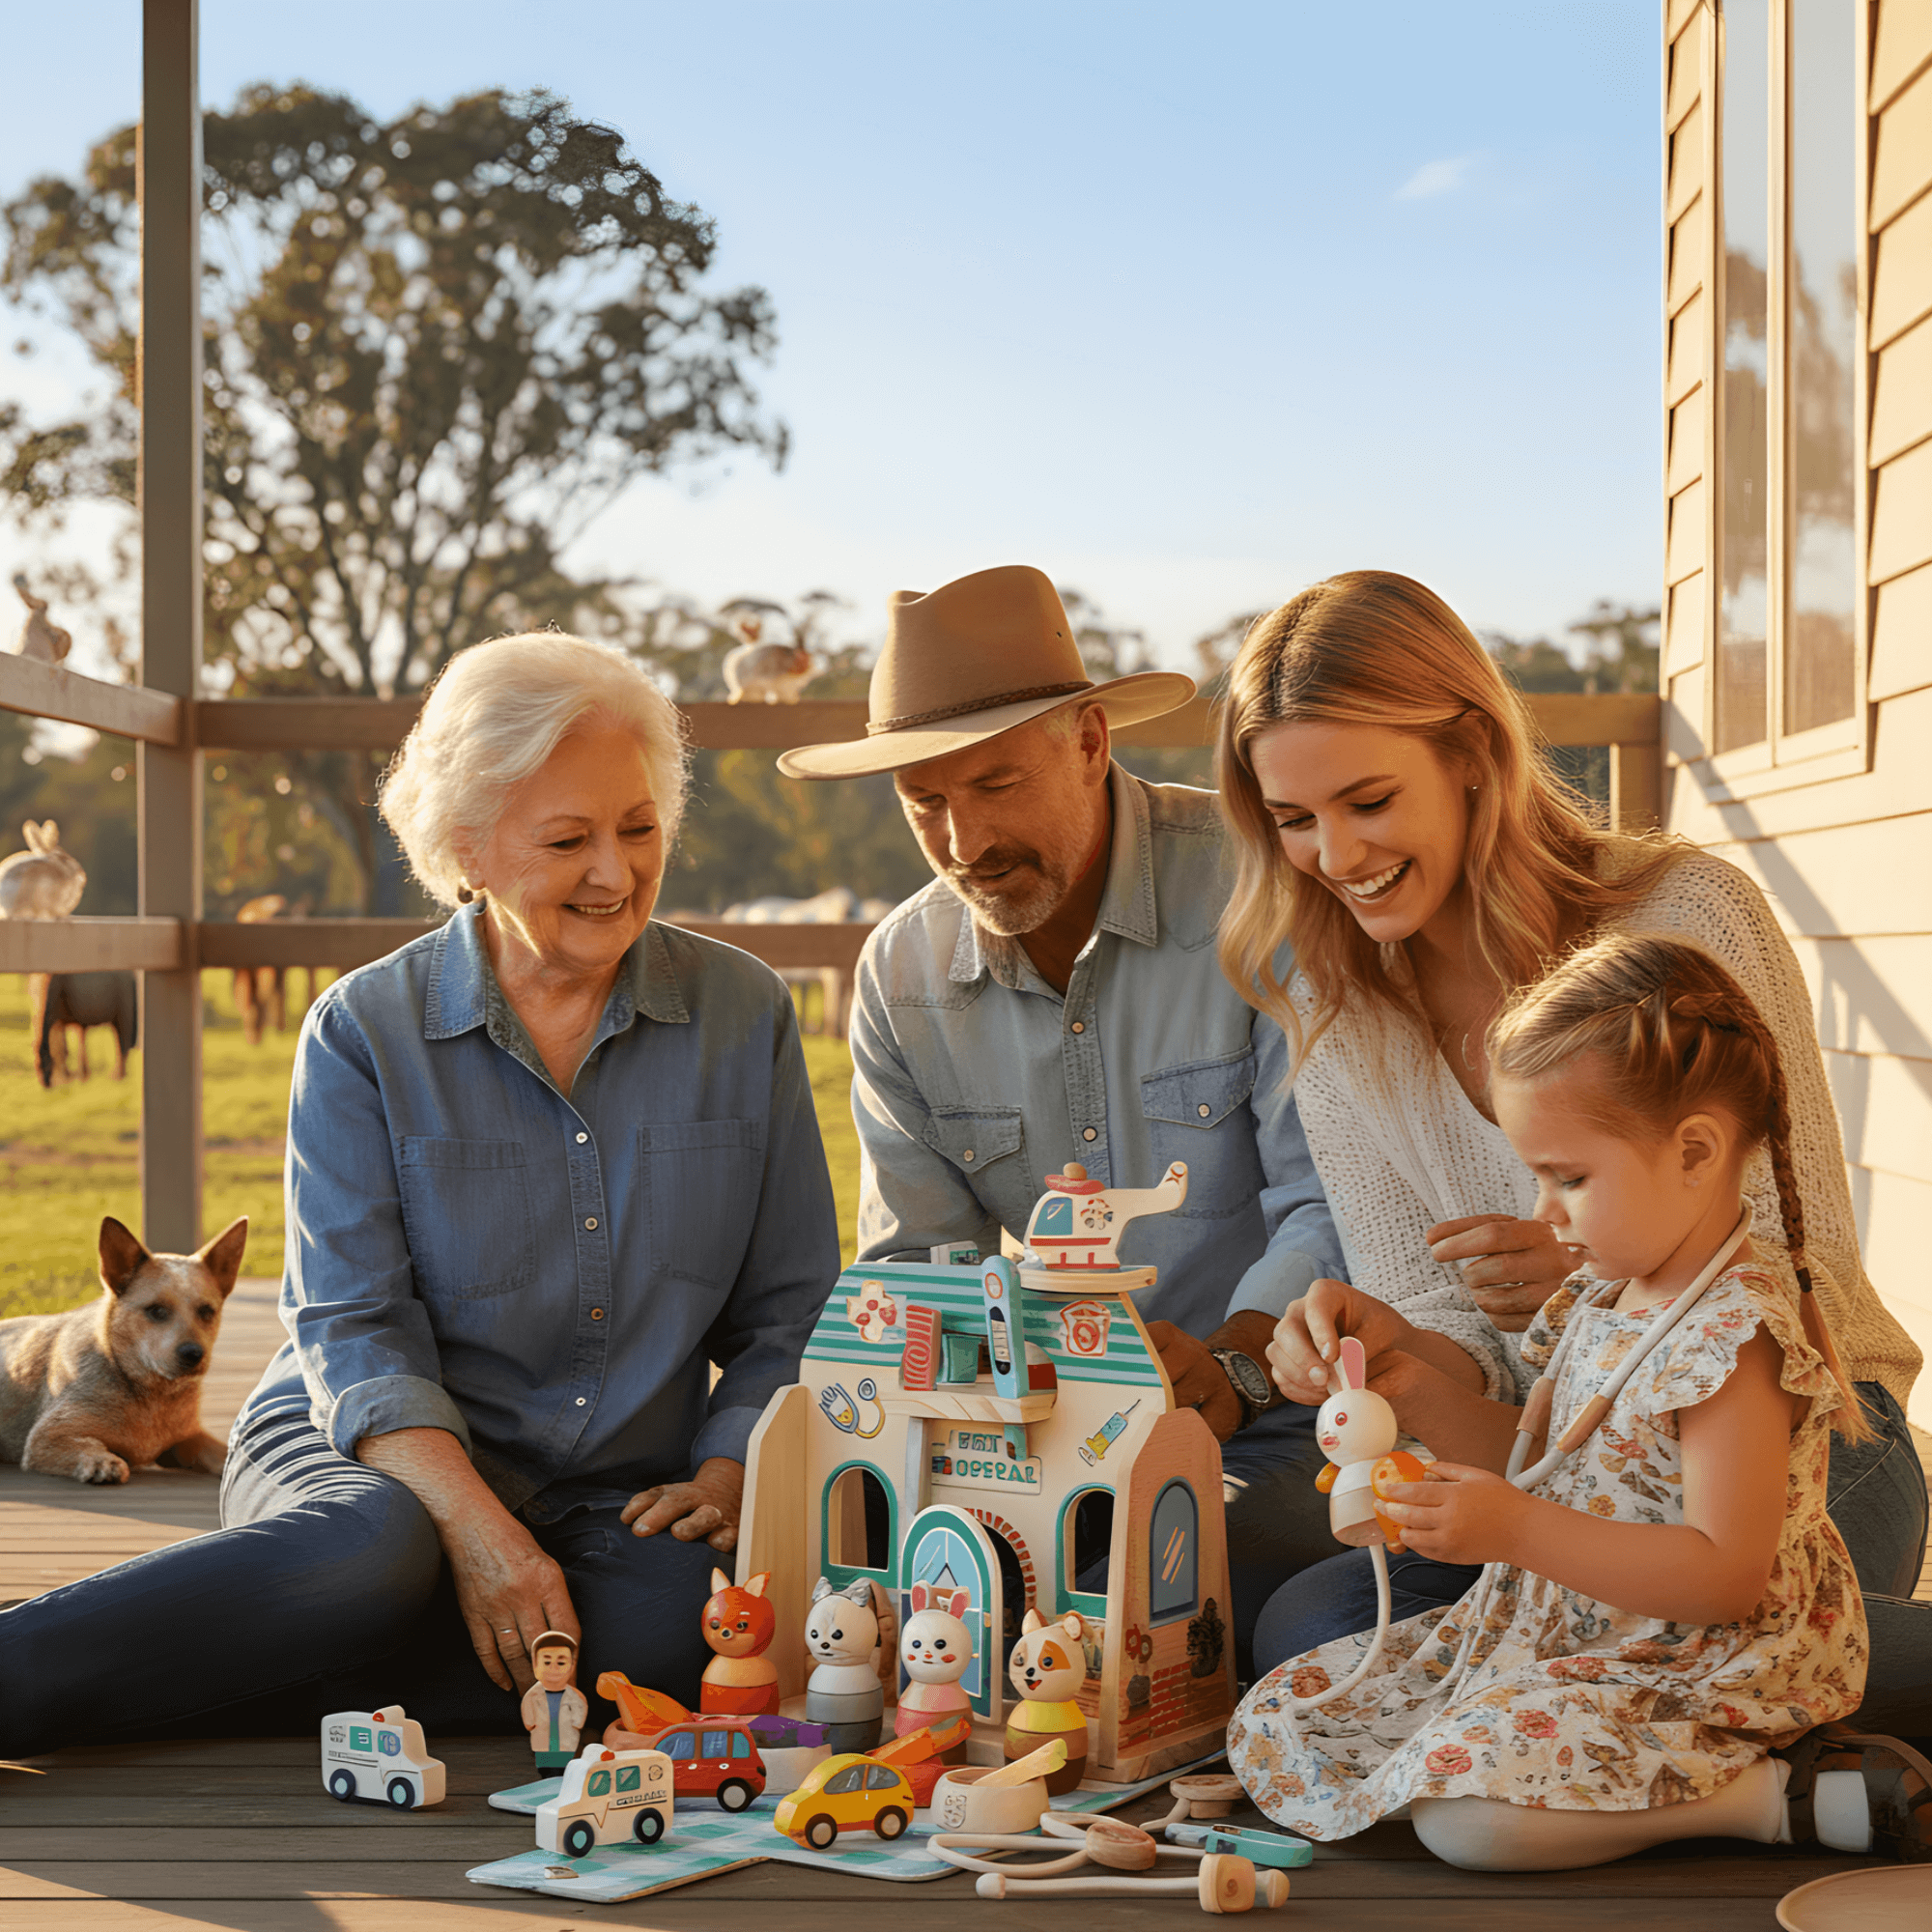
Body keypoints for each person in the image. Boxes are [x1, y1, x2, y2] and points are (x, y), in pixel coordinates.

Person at [0, 633, 838, 1756]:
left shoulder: (746, 1013)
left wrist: (732, 1464)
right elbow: (354, 1327)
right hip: (366, 1450)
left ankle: (245, 1664)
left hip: (615, 1488)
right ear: (465, 848)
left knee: (689, 1633)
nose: (616, 871)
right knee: (372, 1553)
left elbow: (790, 1307)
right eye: (566, 838)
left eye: (638, 828)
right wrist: (480, 1532)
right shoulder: (361, 1031)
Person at [1208, 572, 1926, 1698]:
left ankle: (1790, 1681)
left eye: (1367, 801)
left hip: (1791, 1432)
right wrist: (1386, 1344)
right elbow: (1461, 1341)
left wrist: (1614, 1266)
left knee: (1649, 1637)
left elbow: (1805, 1266)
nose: (1335, 856)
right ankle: (1771, 1749)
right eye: (1293, 820)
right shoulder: (1340, 1027)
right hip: (1555, 1462)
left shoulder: (1682, 916)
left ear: (1471, 759)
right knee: (1310, 1638)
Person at [1228, 934, 1918, 1870]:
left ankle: (1768, 1797)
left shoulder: (1733, 1337)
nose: (1543, 1210)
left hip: (1692, 1663)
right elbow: (1546, 1456)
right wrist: (1414, 1389)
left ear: (1693, 1151)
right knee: (1296, 1712)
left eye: (1568, 1176)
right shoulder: (1604, 1291)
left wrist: (1511, 1529)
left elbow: (1721, 1576)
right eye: (1535, 1174)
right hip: (1568, 1633)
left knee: (1468, 1821)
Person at [779, 564, 1347, 1669]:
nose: (963, 839)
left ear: (1089, 740)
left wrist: (1231, 1364)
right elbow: (914, 1266)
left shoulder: (1257, 892)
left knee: (1160, 1551)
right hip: (1028, 1431)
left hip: (1280, 1404)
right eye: (924, 801)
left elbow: (1330, 1199)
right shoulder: (898, 969)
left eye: (995, 782)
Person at [524, 1631, 587, 1775]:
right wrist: (530, 1723)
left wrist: (577, 1724)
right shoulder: (533, 1695)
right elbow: (527, 1708)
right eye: (546, 1662)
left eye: (561, 1662)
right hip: (543, 1737)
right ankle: (546, 1776)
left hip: (566, 1738)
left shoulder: (574, 1695)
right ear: (535, 1664)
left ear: (571, 1666)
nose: (554, 1667)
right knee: (545, 1763)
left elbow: (580, 1707)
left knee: (565, 1763)